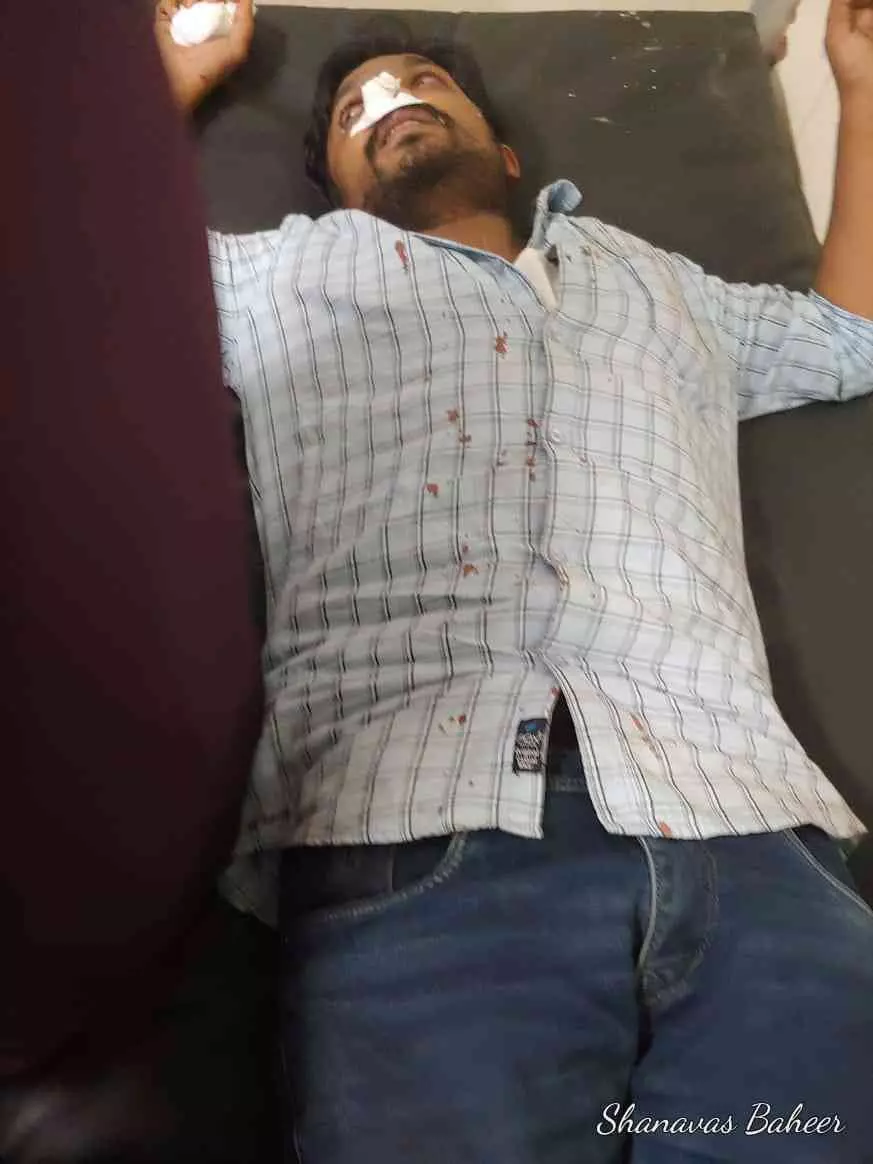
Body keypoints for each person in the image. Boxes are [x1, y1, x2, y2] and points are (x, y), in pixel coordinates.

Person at [157, 1, 873, 1160]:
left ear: (502, 152)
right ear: (336, 185)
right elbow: (72, 274)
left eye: (423, 83)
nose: (392, 102)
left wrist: (861, 87)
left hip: (753, 842)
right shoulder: (279, 274)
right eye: (354, 107)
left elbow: (850, 339)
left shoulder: (660, 284)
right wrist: (168, 81)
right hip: (422, 839)